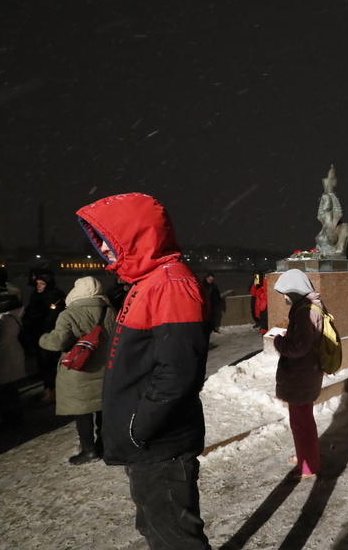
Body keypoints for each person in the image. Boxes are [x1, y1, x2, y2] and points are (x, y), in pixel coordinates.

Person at [76, 193, 211, 549]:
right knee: (156, 530)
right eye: (101, 243)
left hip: (159, 444)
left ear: (135, 238)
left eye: (109, 242)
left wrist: (140, 426)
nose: (104, 252)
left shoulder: (169, 284)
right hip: (148, 445)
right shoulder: (149, 281)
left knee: (176, 540)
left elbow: (179, 372)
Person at [39, 276, 116, 465]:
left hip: (79, 370)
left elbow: (57, 342)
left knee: (83, 412)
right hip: (106, 369)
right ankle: (104, 446)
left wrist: (43, 339)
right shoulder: (110, 310)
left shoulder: (69, 314)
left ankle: (88, 450)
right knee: (102, 410)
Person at [272, 269, 325, 481]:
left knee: (302, 423)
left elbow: (299, 347)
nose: (285, 298)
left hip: (301, 375)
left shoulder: (303, 311)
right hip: (308, 372)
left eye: (286, 293)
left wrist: (279, 341)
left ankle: (309, 466)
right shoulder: (313, 306)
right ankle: (305, 456)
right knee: (302, 421)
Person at [20, 269, 66, 405]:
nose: (38, 286)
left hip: (48, 335)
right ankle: (49, 389)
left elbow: (54, 317)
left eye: (42, 284)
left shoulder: (53, 296)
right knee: (42, 363)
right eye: (37, 284)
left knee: (48, 363)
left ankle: (50, 391)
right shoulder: (36, 295)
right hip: (37, 334)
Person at [0, 269, 26, 429]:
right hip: (13, 350)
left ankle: (10, 419)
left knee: (3, 389)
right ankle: (13, 416)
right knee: (9, 387)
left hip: (0, 352)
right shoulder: (15, 303)